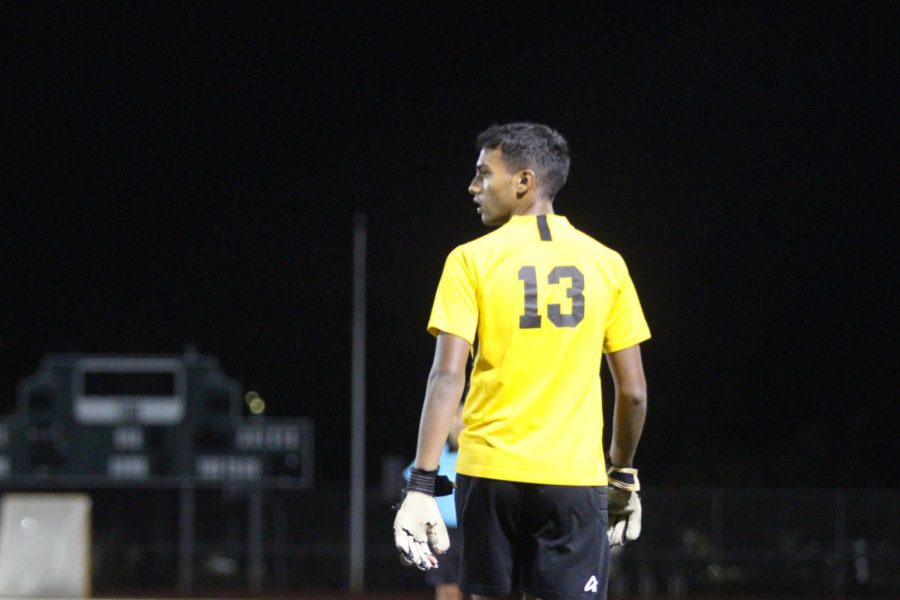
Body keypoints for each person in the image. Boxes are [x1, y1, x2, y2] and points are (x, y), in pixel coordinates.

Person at [393, 122, 650, 600]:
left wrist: (421, 484)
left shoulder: (470, 260)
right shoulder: (607, 263)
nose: (473, 187)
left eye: (483, 174)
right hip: (574, 479)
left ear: (524, 181)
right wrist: (623, 475)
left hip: (490, 475)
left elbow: (447, 376)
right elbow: (632, 393)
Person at [403, 403, 466, 600]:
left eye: (464, 418)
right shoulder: (436, 454)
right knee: (447, 590)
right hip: (442, 534)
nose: (460, 424)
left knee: (477, 589)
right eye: (456, 419)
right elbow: (413, 484)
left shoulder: (481, 456)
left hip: (475, 532)